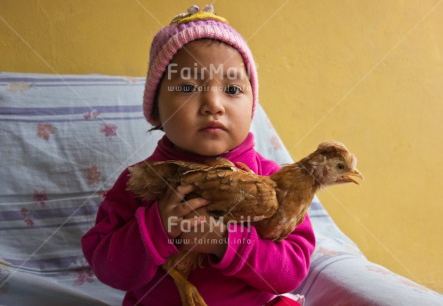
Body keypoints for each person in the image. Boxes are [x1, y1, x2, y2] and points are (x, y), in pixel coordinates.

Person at [81, 5, 315, 306]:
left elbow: (291, 271)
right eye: (189, 87)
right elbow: (107, 267)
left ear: (252, 104)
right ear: (156, 110)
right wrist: (156, 228)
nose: (213, 104)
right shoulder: (139, 182)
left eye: (231, 89)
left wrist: (225, 243)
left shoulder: (273, 179)